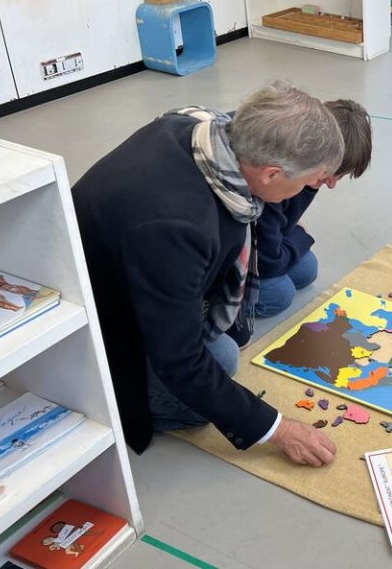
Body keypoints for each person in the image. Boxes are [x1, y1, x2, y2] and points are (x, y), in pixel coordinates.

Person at [72, 82, 345, 466]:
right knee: (220, 358)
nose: (309, 188)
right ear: (269, 175)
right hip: (102, 331)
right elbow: (179, 360)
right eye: (306, 181)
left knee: (287, 282)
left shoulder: (199, 126)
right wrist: (278, 428)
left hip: (139, 271)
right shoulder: (178, 227)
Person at [253, 99, 372, 319]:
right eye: (330, 173)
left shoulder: (311, 175)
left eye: (340, 175)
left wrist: (290, 235)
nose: (332, 183)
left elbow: (285, 226)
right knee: (280, 295)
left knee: (307, 270)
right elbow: (267, 262)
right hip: (248, 255)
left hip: (266, 243)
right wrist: (301, 237)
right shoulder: (279, 181)